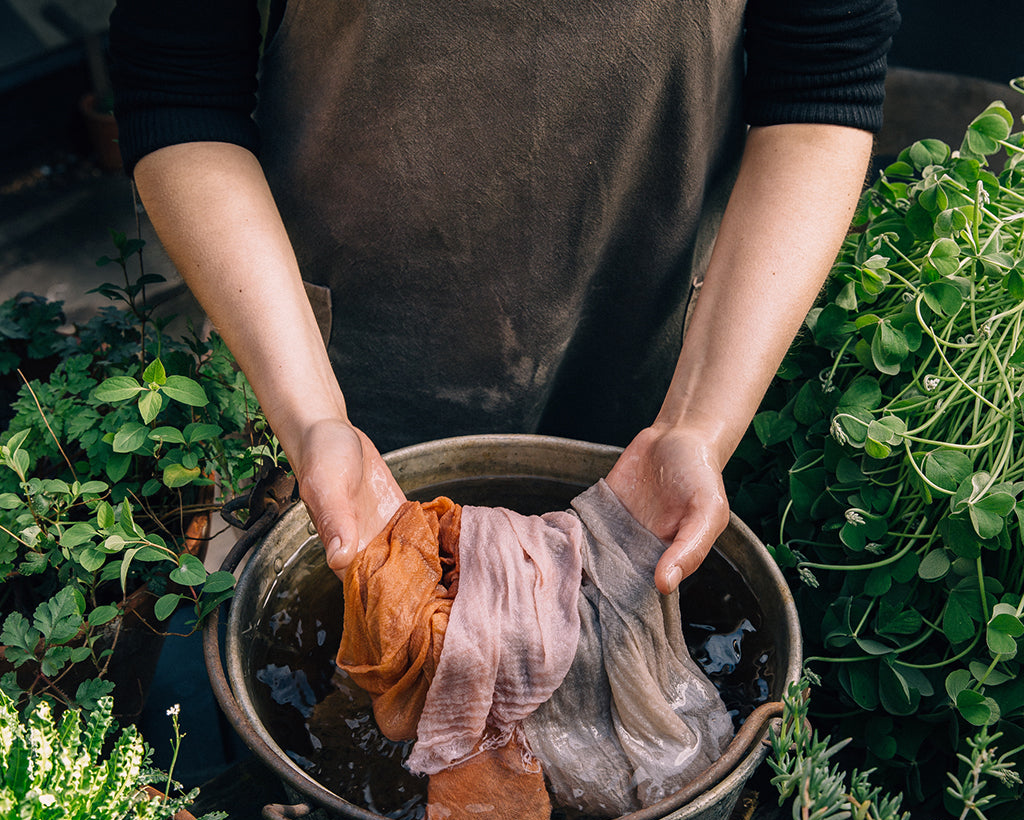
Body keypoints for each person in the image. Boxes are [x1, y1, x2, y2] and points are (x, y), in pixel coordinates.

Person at [108, 0, 900, 594]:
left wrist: (698, 423)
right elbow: (182, 82)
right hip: (321, 374)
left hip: (649, 371)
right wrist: (312, 415)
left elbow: (820, 80)